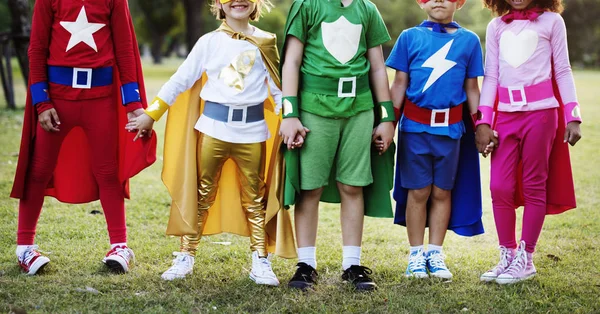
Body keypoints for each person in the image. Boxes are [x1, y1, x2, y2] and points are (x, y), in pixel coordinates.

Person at [127, 0, 296, 285]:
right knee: (201, 193)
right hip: (213, 130)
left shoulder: (266, 42)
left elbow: (279, 89)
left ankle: (260, 260)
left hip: (252, 132)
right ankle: (185, 255)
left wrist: (289, 119)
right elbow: (181, 80)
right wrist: (152, 114)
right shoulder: (208, 42)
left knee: (255, 198)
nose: (238, 1)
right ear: (219, 4)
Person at [10, 0, 155, 275]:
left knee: (108, 171)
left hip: (100, 99)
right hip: (56, 100)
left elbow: (124, 49)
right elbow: (37, 48)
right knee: (38, 170)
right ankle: (24, 247)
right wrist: (42, 102)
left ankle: (120, 245)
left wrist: (133, 105)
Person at [279, 0, 396, 291]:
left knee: (353, 186)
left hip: (359, 109)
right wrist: (290, 113)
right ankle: (306, 264)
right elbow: (291, 61)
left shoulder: (367, 9)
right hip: (314, 108)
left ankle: (352, 264)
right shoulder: (308, 6)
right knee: (310, 187)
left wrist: (386, 117)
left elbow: (378, 68)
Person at [476, 0, 582, 284]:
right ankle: (507, 254)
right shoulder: (496, 26)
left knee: (535, 183)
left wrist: (572, 114)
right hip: (505, 117)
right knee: (500, 186)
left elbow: (562, 69)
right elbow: (491, 76)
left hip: (542, 114)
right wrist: (483, 121)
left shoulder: (551, 22)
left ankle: (526, 258)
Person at [386, 0, 485, 280]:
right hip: (415, 130)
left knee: (442, 192)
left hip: (452, 131)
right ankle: (416, 254)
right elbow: (399, 84)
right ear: (421, 2)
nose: (439, 1)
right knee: (418, 192)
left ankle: (435, 253)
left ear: (459, 3)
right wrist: (389, 123)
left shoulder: (469, 41)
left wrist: (481, 125)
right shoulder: (409, 38)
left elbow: (472, 89)